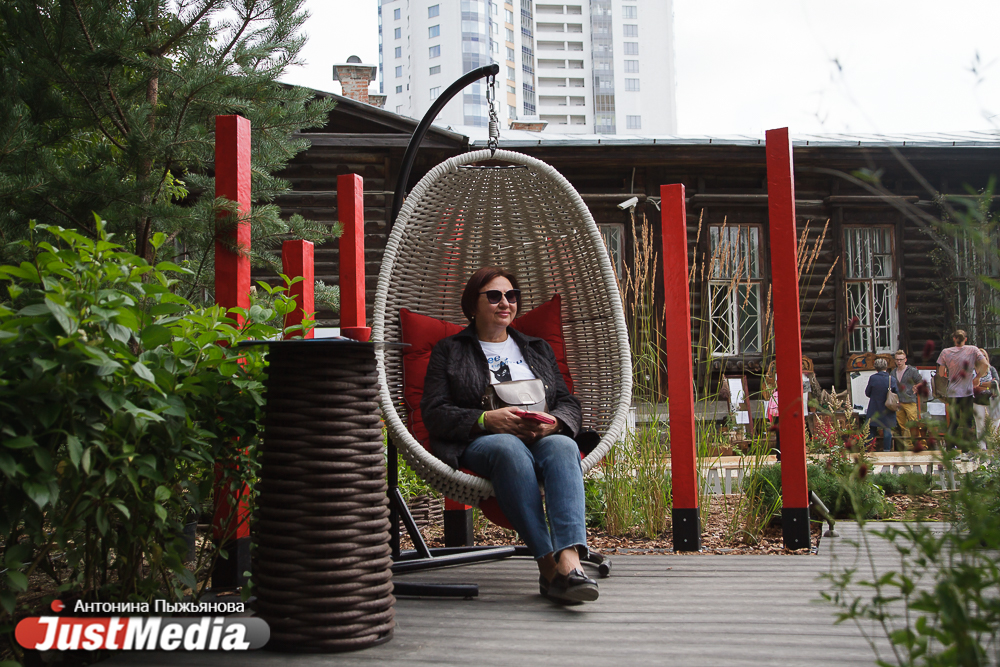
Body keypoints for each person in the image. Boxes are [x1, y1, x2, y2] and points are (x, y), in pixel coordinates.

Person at [420, 266, 598, 604]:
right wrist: (485, 420)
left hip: (541, 437)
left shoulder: (537, 348)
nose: (505, 303)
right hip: (482, 442)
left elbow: (567, 402)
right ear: (472, 305)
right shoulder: (450, 350)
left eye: (511, 296)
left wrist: (555, 423)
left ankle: (570, 561)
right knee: (508, 448)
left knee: (563, 446)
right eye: (494, 296)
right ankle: (548, 565)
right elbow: (434, 411)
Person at [936, 330, 989, 448]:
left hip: (952, 392)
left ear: (954, 339)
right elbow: (985, 364)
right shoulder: (973, 350)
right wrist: (978, 377)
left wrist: (949, 371)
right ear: (965, 339)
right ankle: (966, 449)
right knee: (967, 422)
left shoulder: (946, 352)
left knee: (954, 421)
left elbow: (941, 373)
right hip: (967, 392)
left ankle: (950, 447)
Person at [865, 358, 898, 452]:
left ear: (876, 368)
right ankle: (887, 450)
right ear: (886, 367)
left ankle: (868, 449)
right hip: (887, 407)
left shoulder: (873, 378)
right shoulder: (891, 379)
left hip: (874, 407)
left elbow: (867, 392)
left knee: (871, 429)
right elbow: (896, 393)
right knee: (887, 428)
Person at [892, 349, 923, 443]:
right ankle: (908, 444)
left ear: (905, 360)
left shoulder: (911, 370)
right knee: (903, 425)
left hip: (910, 400)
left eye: (901, 359)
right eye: (897, 359)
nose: (899, 362)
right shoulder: (893, 372)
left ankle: (920, 443)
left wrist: (916, 387)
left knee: (913, 423)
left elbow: (920, 382)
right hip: (899, 401)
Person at [973, 347, 1000, 448]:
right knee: (980, 425)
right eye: (980, 356)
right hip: (978, 400)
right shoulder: (972, 370)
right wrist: (988, 385)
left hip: (992, 399)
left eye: (984, 355)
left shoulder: (991, 369)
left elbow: (996, 383)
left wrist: (981, 384)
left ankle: (992, 447)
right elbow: (973, 386)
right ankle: (982, 448)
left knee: (994, 424)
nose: (982, 357)